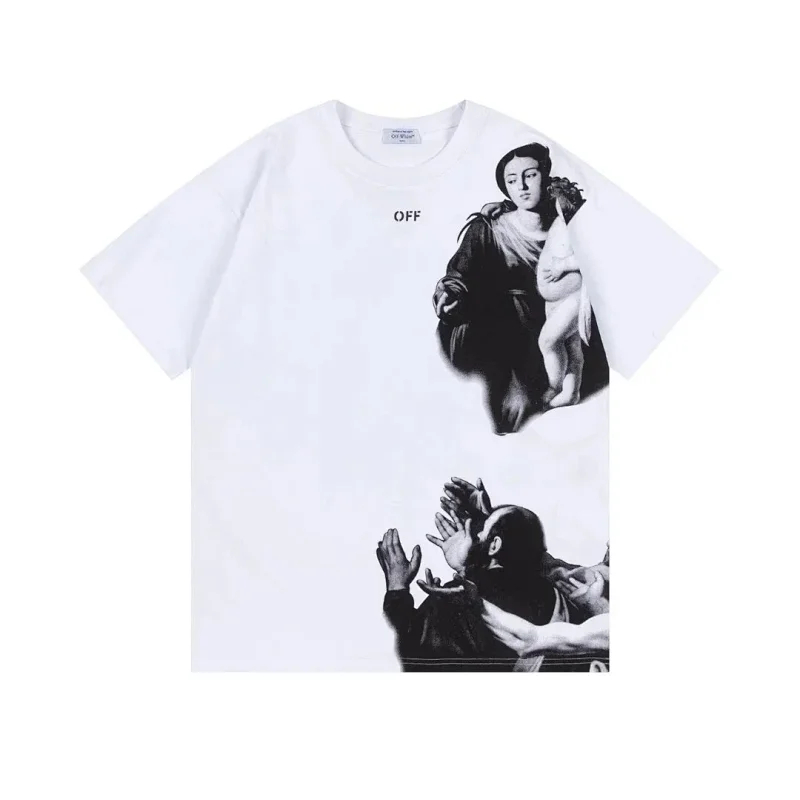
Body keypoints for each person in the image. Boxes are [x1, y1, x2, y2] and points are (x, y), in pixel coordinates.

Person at [433, 143, 608, 433]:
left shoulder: (569, 224)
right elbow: (460, 274)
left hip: (560, 324)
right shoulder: (490, 228)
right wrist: (451, 294)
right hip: (506, 338)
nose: (522, 187)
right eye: (512, 180)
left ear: (546, 176)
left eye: (530, 175)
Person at [376, 504, 561, 672]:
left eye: (482, 530)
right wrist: (466, 569)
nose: (476, 536)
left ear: (495, 545)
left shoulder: (458, 595)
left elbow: (413, 652)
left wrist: (397, 587)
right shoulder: (552, 596)